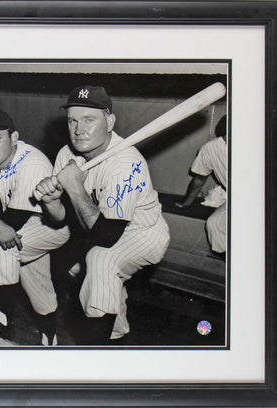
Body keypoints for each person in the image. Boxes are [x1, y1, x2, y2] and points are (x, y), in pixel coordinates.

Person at [35, 85, 170, 344]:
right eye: (73, 120)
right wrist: (51, 202)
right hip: (99, 227)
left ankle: (95, 358)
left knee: (101, 260)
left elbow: (108, 236)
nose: (78, 129)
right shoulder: (67, 154)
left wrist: (74, 186)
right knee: (98, 278)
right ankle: (116, 341)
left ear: (109, 122)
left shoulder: (126, 162)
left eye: (89, 120)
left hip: (144, 233)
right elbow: (61, 218)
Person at [0, 108, 70, 346]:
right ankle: (50, 338)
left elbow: (12, 222)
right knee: (37, 281)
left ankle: (3, 318)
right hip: (14, 222)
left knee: (2, 247)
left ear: (14, 138)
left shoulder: (32, 163)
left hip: (51, 227)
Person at [176, 115, 227, 254]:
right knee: (214, 224)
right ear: (224, 133)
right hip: (238, 199)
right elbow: (199, 179)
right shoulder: (210, 149)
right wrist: (186, 203)